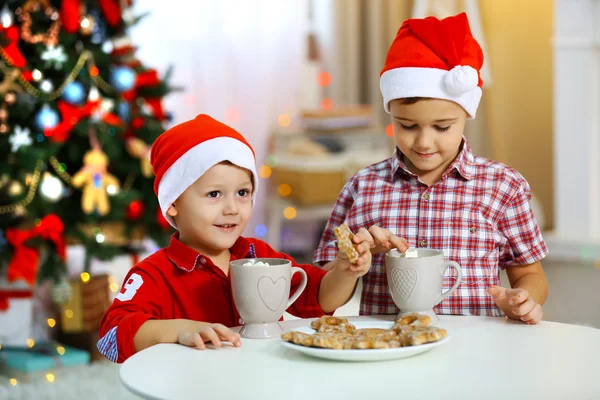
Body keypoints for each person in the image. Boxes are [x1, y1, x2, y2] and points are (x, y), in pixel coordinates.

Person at [314, 13, 548, 324]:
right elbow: (324, 298)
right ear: (392, 115)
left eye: (442, 127)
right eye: (407, 125)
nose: (424, 142)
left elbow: (531, 274)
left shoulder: (503, 185)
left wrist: (522, 299)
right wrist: (349, 265)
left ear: (465, 114)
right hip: (389, 353)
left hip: (476, 350)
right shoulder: (364, 186)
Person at [97, 114, 373, 363]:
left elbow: (319, 297)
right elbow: (110, 336)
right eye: (214, 194)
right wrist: (179, 330)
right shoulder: (154, 274)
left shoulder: (260, 255)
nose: (232, 208)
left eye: (242, 193)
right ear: (172, 203)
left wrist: (345, 271)